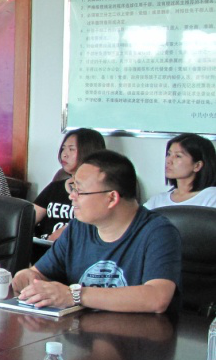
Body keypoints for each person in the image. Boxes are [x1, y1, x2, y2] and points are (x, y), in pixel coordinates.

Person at [12, 151, 181, 315]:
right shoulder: (78, 228)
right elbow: (39, 273)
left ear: (111, 198)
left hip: (138, 332)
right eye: (73, 188)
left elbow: (157, 298)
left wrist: (74, 295)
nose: (71, 196)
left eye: (80, 191)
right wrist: (26, 277)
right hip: (79, 330)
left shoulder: (158, 232)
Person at [32, 129, 106, 242]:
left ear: (89, 152)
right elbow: (27, 219)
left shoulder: (97, 193)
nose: (64, 154)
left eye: (71, 149)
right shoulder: (54, 187)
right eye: (63, 148)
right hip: (43, 246)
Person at [144, 133, 216, 209]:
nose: (168, 161)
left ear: (197, 165)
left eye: (178, 156)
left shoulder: (211, 197)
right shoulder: (157, 200)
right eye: (169, 154)